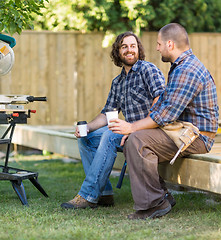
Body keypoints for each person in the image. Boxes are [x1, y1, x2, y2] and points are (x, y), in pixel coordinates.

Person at [109, 23, 219, 219]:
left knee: (137, 141)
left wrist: (132, 127)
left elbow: (165, 115)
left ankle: (154, 204)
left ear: (170, 44)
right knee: (135, 139)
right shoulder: (180, 67)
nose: (157, 48)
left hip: (197, 137)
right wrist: (134, 130)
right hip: (182, 132)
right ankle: (161, 197)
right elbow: (164, 108)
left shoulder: (187, 70)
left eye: (159, 44)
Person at [61, 32, 167, 209]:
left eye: (133, 46)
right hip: (127, 129)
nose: (129, 50)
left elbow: (161, 102)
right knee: (86, 138)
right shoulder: (118, 82)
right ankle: (104, 194)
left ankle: (88, 195)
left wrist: (135, 130)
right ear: (118, 52)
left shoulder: (148, 70)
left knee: (110, 136)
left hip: (149, 131)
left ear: (138, 50)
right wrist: (87, 127)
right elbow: (107, 113)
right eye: (124, 46)